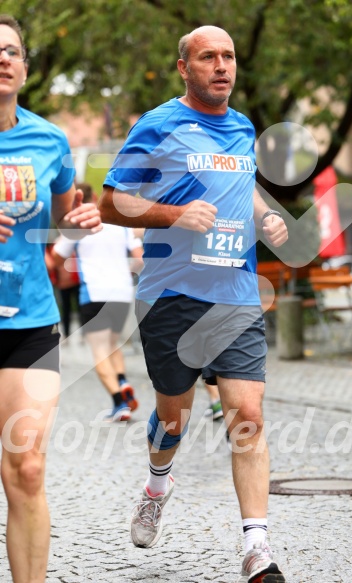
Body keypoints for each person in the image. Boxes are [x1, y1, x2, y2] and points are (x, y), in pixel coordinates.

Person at [99, 25, 288, 583]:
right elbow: (113, 202)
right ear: (185, 67)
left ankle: (257, 546)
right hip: (171, 296)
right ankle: (158, 483)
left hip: (235, 293)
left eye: (228, 56)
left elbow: (245, 182)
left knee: (247, 417)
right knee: (172, 417)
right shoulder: (159, 125)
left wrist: (264, 215)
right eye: (208, 57)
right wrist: (172, 215)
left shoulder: (242, 127)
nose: (222, 65)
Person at [0, 14, 101, 583]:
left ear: (26, 67)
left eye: (12, 50)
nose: (3, 58)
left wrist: (81, 221)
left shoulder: (49, 139)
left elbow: (65, 216)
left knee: (29, 468)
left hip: (30, 322)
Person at [51, 183, 143, 421]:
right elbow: (140, 258)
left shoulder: (78, 223)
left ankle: (118, 403)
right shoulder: (118, 223)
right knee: (113, 345)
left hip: (94, 292)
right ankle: (122, 381)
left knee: (100, 351)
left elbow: (55, 259)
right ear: (94, 195)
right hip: (122, 292)